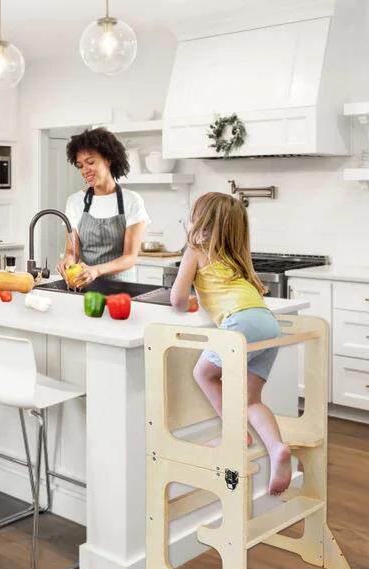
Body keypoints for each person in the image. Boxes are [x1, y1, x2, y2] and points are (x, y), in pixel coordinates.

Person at [170, 192, 291, 495]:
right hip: (267, 324)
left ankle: (235, 435)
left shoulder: (195, 251)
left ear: (201, 224)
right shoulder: (236, 259)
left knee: (203, 373)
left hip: (240, 324)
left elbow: (177, 299)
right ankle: (277, 447)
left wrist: (191, 301)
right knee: (251, 400)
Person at [57, 128, 150, 286]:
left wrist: (96, 270)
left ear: (108, 159)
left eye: (90, 162)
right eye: (80, 166)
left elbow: (130, 257)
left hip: (122, 289)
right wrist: (68, 260)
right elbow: (72, 250)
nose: (85, 170)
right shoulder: (75, 201)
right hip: (86, 287)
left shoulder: (131, 200)